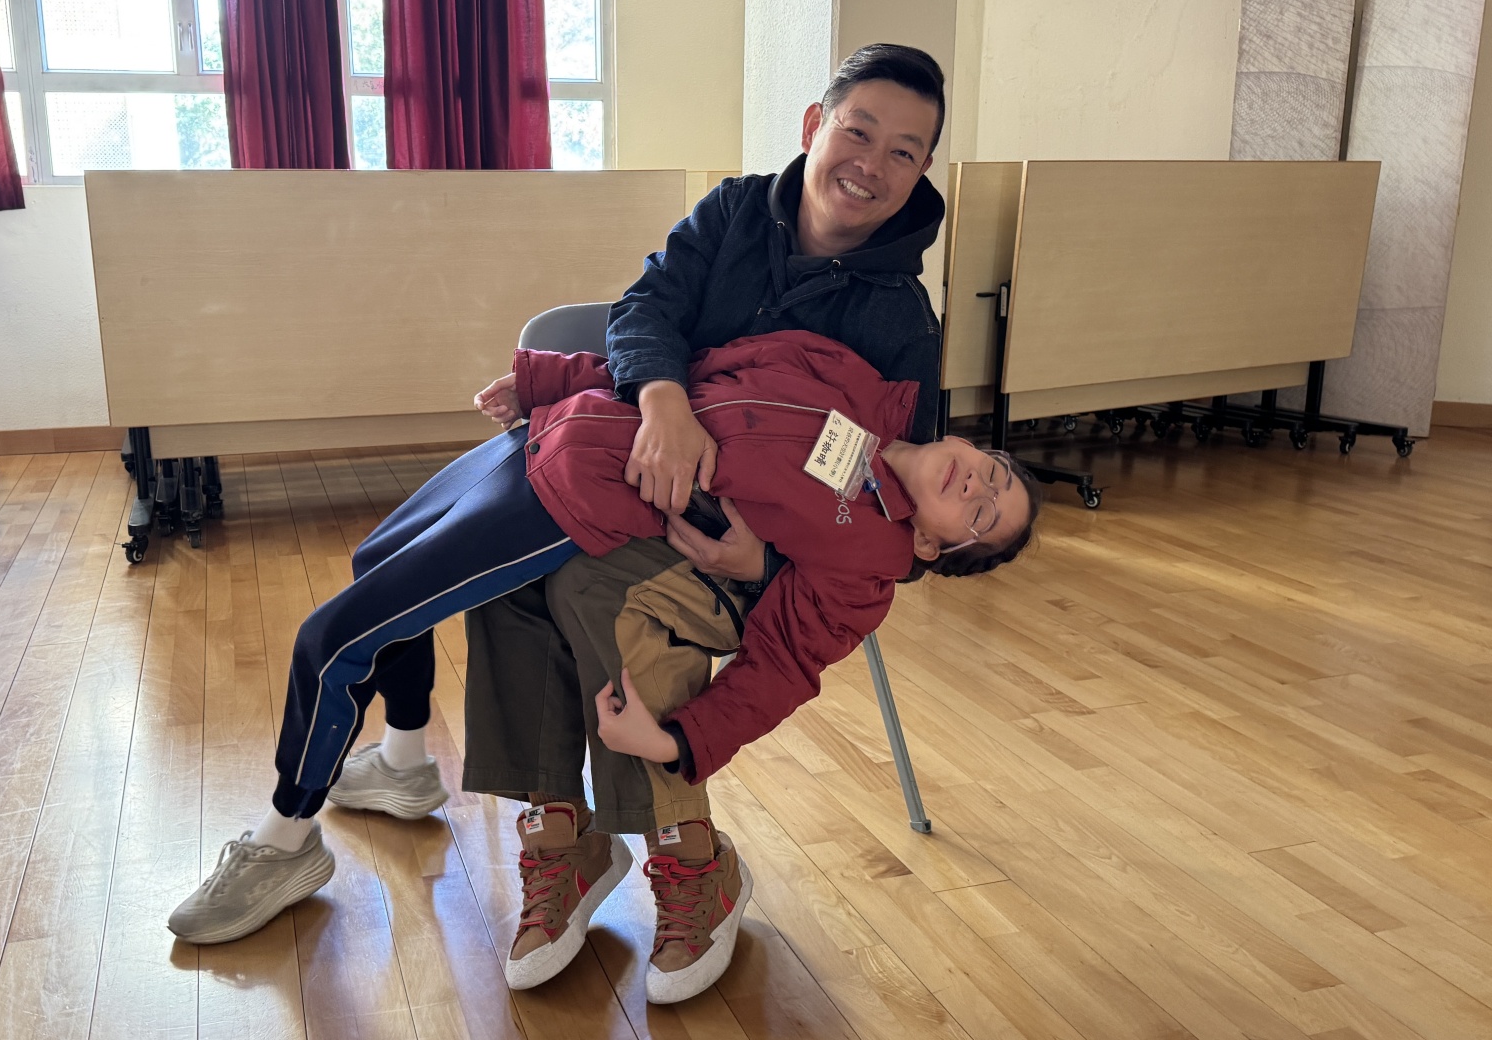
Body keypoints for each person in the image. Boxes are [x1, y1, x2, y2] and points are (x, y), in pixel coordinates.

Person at [165, 329, 1039, 965]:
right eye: (995, 473)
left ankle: (284, 837)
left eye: (982, 515)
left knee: (335, 636)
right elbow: (699, 365)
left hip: (569, 505)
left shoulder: (866, 563)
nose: (979, 486)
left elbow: (783, 667)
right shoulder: (857, 383)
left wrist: (682, 739)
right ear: (974, 442)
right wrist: (547, 378)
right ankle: (402, 762)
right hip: (552, 431)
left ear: (935, 546)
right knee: (374, 565)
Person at [329, 38, 953, 848]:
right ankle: (556, 830)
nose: (870, 164)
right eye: (858, 131)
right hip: (624, 470)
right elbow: (645, 308)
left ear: (923, 170)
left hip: (741, 554)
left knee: (588, 584)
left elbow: (902, 525)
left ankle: (679, 847)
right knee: (488, 562)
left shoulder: (904, 327)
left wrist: (765, 563)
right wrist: (662, 400)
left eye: (902, 152)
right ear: (814, 125)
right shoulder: (735, 211)